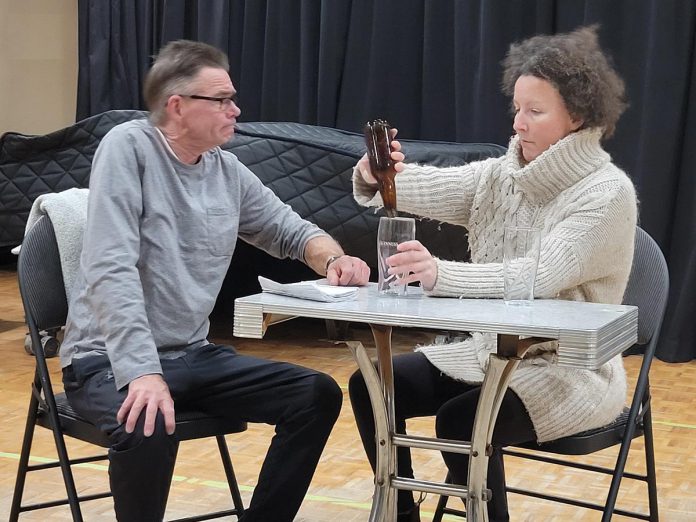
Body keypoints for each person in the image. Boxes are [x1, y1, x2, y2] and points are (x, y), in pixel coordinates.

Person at [60, 39, 369, 522]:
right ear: (177, 107)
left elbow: (289, 229)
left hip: (191, 356)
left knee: (315, 394)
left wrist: (333, 259)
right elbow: (109, 267)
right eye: (222, 100)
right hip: (107, 359)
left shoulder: (226, 169)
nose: (235, 110)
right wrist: (142, 371)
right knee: (146, 422)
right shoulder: (128, 147)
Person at [349, 25, 636, 522]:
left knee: (462, 421)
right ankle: (398, 513)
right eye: (517, 108)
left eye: (536, 111)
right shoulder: (501, 175)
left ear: (579, 116)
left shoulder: (606, 193)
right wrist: (378, 175)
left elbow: (540, 276)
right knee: (370, 382)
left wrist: (440, 275)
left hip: (568, 371)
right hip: (490, 355)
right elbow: (427, 186)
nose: (519, 124)